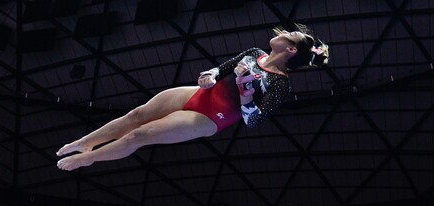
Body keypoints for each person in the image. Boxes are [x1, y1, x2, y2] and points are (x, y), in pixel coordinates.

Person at [56, 25, 329, 170]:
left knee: (140, 135)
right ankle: (84, 143)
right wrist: (208, 76)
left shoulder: (280, 84)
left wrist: (246, 95)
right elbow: (220, 68)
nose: (282, 32)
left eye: (289, 34)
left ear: (291, 50)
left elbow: (254, 121)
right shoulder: (255, 52)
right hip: (199, 94)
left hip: (210, 117)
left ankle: (88, 159)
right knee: (136, 115)